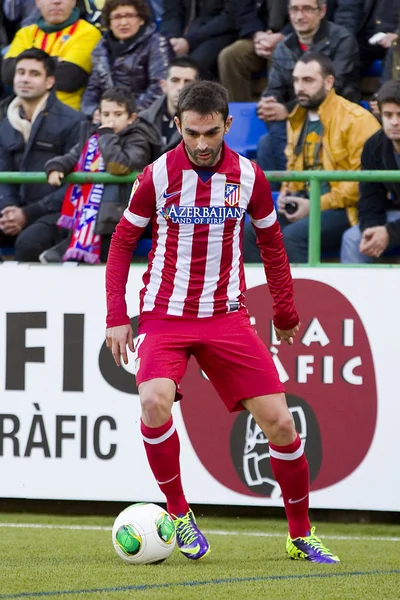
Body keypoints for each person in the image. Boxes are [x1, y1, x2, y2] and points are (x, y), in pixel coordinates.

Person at [105, 80, 340, 564]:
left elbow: (273, 246)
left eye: (211, 132)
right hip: (164, 314)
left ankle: (300, 534)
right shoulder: (155, 175)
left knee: (279, 422)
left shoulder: (250, 176)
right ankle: (179, 513)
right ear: (178, 126)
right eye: (192, 133)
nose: (202, 143)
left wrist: (286, 310)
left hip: (225, 317)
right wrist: (116, 315)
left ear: (228, 125)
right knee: (153, 401)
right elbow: (122, 243)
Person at [244, 53, 380, 263]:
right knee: (248, 232)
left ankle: (301, 296)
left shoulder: (357, 120)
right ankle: (262, 294)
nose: (300, 87)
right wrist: (286, 192)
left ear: (328, 82)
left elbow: (361, 186)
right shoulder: (297, 118)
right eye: (296, 80)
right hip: (306, 204)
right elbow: (294, 165)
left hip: (346, 210)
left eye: (308, 80)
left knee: (290, 238)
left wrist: (316, 204)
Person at [41, 86, 158, 264]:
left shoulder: (138, 138)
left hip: (118, 218)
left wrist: (106, 136)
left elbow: (119, 166)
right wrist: (56, 166)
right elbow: (72, 157)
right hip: (87, 213)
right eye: (106, 114)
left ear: (131, 118)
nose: (110, 120)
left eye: (117, 114)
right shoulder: (93, 136)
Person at [256, 0, 359, 188]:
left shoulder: (343, 41)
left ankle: (298, 189)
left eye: (307, 9)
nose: (299, 16)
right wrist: (268, 103)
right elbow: (274, 88)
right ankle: (281, 200)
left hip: (333, 121)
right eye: (294, 9)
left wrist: (287, 109)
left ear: (322, 11)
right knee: (266, 143)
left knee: (269, 142)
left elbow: (335, 88)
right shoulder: (283, 47)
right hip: (297, 122)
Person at [0, 48, 85, 262]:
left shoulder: (74, 121)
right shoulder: (5, 121)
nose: (25, 79)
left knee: (28, 243)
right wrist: (9, 210)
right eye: (21, 72)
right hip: (16, 209)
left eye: (34, 74)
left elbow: (75, 183)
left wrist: (27, 214)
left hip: (56, 213)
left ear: (49, 81)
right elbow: (3, 172)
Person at [2, 0, 102, 110]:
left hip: (65, 116)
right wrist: (55, 61)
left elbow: (69, 78)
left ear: (74, 2)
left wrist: (25, 66)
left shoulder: (88, 33)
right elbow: (7, 73)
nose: (56, 1)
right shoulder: (25, 33)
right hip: (23, 113)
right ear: (37, 2)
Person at [341, 80, 400, 263]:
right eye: (388, 115)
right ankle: (355, 292)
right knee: (353, 238)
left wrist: (390, 233)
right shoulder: (374, 145)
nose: (394, 122)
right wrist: (372, 229)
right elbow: (369, 196)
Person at [81, 0, 171, 118]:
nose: (123, 22)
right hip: (108, 117)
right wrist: (94, 111)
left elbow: (159, 88)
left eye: (129, 16)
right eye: (117, 17)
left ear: (141, 19)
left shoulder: (157, 44)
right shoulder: (101, 48)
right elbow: (91, 91)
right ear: (109, 22)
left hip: (143, 119)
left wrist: (126, 114)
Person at [218, 0, 290, 102]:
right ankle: (239, 112)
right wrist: (257, 35)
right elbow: (244, 11)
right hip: (259, 35)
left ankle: (275, 111)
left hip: (292, 35)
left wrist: (283, 35)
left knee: (278, 53)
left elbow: (307, 12)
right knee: (230, 55)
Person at [137, 56, 199, 159]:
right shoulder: (143, 120)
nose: (180, 88)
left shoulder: (206, 121)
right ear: (164, 85)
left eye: (187, 82)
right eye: (175, 80)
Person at [160, 0, 237, 79]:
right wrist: (172, 38)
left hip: (219, 33)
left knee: (192, 66)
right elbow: (171, 13)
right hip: (183, 34)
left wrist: (189, 41)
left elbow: (230, 17)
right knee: (160, 59)